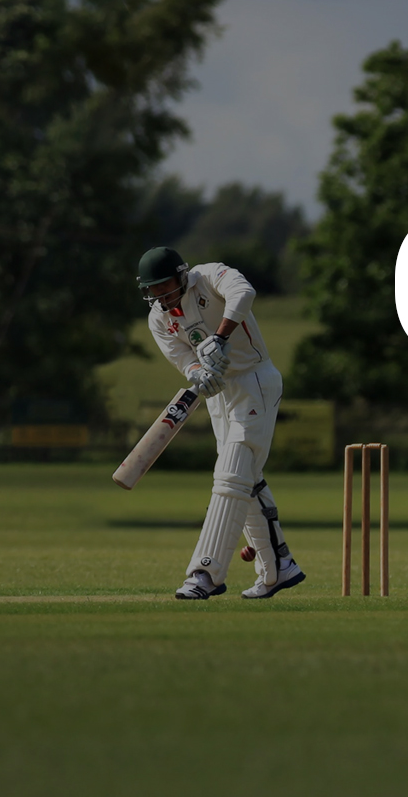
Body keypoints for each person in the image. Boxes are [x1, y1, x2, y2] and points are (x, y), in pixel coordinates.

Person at [136, 246, 305, 600]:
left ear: (182, 276)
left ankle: (205, 573)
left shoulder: (209, 276)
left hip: (254, 381)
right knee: (245, 479)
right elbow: (183, 358)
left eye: (165, 286)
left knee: (230, 476)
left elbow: (244, 293)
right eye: (153, 290)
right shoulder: (158, 318)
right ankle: (278, 566)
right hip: (218, 396)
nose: (160, 296)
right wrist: (199, 372)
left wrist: (221, 337)